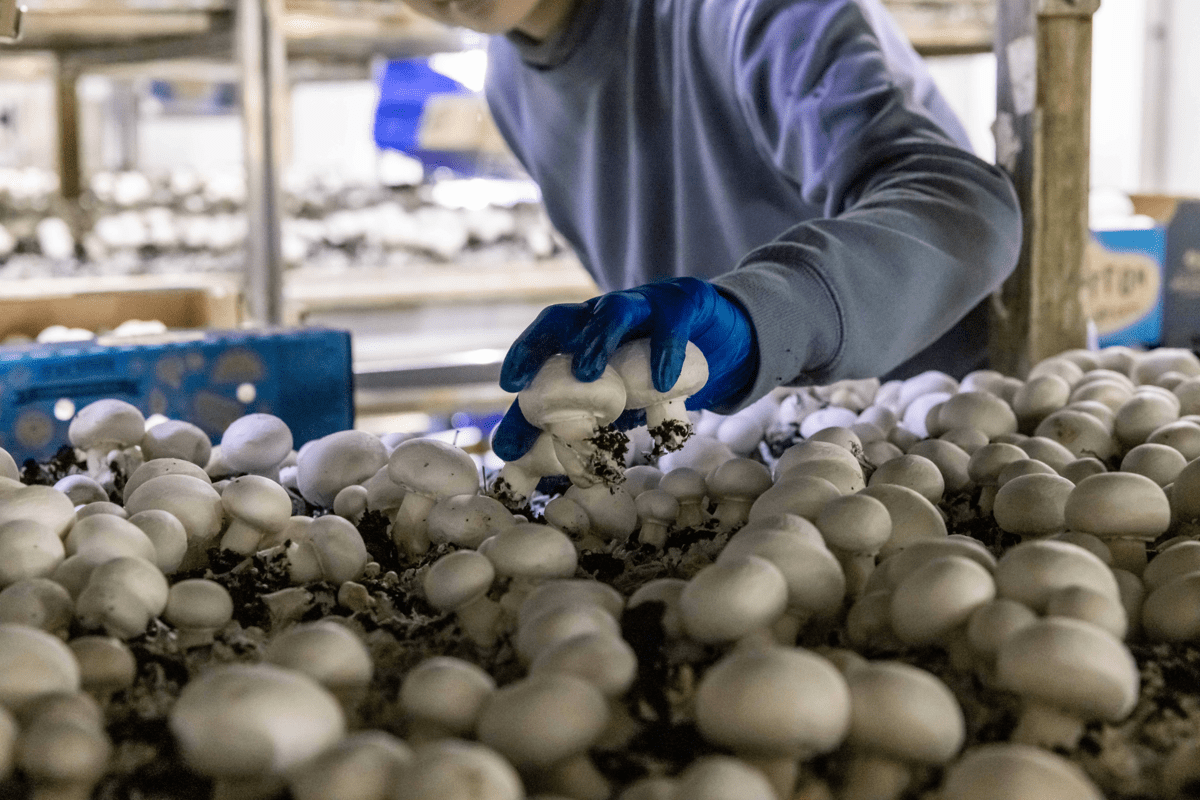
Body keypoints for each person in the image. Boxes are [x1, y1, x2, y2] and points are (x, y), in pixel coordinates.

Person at [397, 0, 1022, 462]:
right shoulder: (508, 76)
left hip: (933, 437)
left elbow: (964, 209)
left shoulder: (745, 10)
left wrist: (758, 319)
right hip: (742, 460)